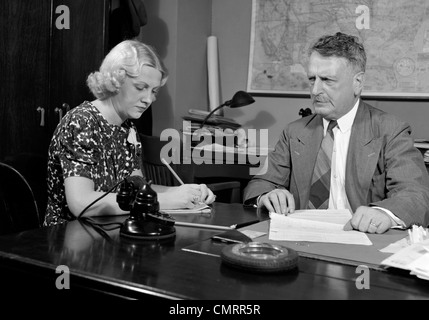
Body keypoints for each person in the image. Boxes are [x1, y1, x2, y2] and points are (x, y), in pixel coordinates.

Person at [243, 32, 429, 234]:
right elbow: (260, 183)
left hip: (361, 243)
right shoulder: (294, 132)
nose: (315, 90)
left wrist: (384, 213)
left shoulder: (390, 130)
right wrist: (267, 195)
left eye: (327, 80)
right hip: (301, 239)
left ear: (357, 83)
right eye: (312, 79)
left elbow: (415, 195)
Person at [44, 40, 215, 226]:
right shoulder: (81, 122)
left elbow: (138, 189)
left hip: (108, 232)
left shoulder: (128, 128)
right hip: (69, 239)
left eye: (154, 91)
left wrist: (186, 193)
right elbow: (81, 203)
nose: (148, 99)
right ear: (115, 80)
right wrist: (166, 200)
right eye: (140, 88)